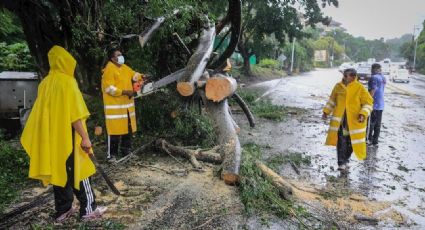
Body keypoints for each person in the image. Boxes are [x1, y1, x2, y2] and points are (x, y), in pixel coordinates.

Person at [21, 45, 107, 222]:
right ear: (66, 62)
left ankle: (62, 211)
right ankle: (88, 210)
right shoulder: (67, 82)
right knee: (81, 172)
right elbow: (74, 115)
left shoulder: (45, 83)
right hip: (69, 137)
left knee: (59, 173)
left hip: (52, 139)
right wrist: (85, 137)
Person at [322, 68, 373, 170]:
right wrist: (326, 112)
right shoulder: (338, 86)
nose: (344, 78)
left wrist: (363, 114)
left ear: (353, 77)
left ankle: (346, 159)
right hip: (341, 121)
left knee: (351, 143)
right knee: (341, 141)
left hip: (354, 122)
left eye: (346, 76)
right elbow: (332, 100)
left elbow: (368, 103)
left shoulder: (359, 88)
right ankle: (341, 162)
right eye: (343, 75)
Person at [101, 48, 144, 161]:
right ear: (112, 58)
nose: (121, 57)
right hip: (115, 108)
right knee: (114, 131)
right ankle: (112, 155)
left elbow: (133, 74)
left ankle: (126, 151)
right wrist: (124, 92)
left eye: (121, 54)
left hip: (126, 107)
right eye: (118, 55)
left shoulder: (124, 67)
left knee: (127, 129)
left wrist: (141, 77)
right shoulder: (109, 69)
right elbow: (109, 88)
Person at [367, 63, 386, 146]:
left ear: (374, 69)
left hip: (374, 104)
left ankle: (369, 140)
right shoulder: (383, 77)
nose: (371, 71)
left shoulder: (373, 77)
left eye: (371, 69)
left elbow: (373, 90)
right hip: (381, 104)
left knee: (371, 123)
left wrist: (368, 101)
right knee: (378, 123)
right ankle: (375, 141)